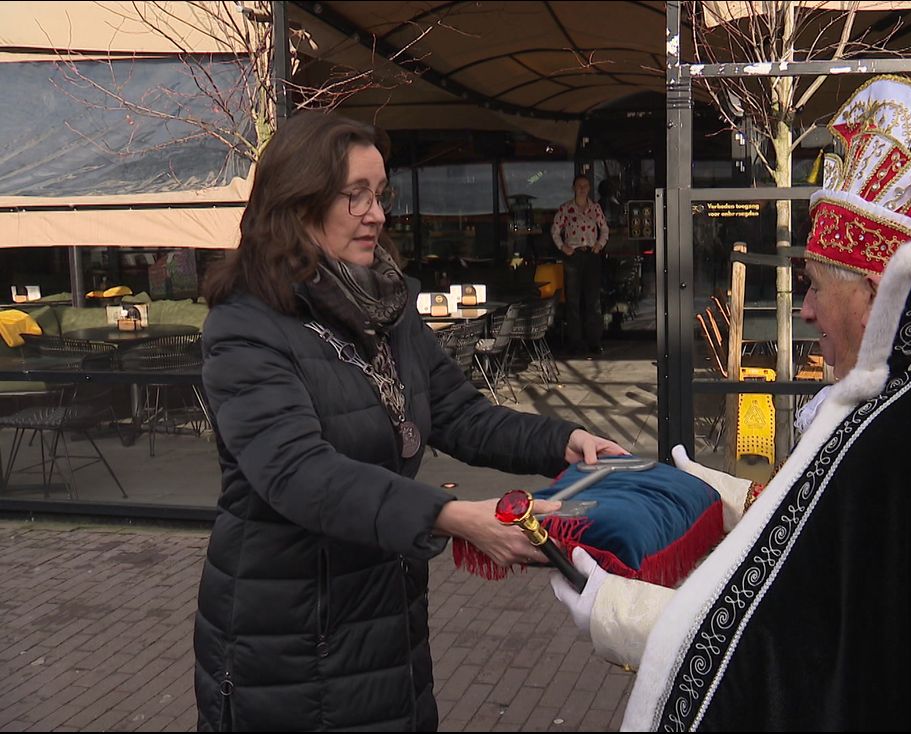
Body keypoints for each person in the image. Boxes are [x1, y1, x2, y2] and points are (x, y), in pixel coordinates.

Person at [551, 76, 911, 731]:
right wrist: (736, 499)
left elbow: (798, 634)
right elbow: (838, 559)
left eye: (816, 286)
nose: (804, 310)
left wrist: (619, 615)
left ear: (876, 292)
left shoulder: (890, 431)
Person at [191, 111, 625, 732]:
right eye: (356, 196)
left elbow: (457, 412)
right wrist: (449, 517)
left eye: (380, 194)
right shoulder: (244, 328)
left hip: (384, 621)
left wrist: (564, 441)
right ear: (297, 203)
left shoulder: (384, 305)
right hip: (286, 644)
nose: (378, 214)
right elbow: (298, 473)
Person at [551, 173, 609, 355]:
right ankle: (575, 342)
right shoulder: (566, 209)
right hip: (574, 256)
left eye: (585, 185)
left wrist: (599, 245)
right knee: (573, 301)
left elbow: (605, 229)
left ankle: (594, 341)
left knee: (593, 301)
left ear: (589, 188)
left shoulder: (595, 208)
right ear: (574, 188)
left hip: (591, 255)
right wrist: (563, 247)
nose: (582, 189)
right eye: (579, 186)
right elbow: (555, 230)